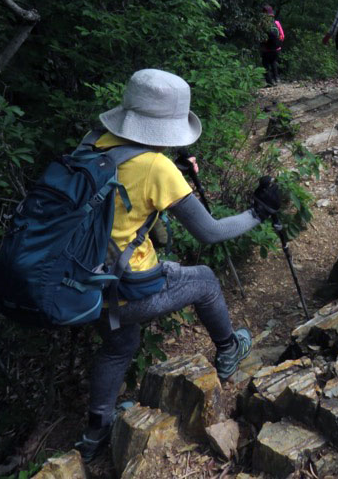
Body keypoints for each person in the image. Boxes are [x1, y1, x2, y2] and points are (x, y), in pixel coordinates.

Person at [75, 69, 280, 461]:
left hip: (86, 282)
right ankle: (228, 349)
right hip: (126, 287)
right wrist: (258, 213)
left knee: (119, 345)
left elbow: (129, 210)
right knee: (203, 280)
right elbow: (210, 232)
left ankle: (95, 433)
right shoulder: (155, 167)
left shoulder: (93, 144)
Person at [259, 5, 285, 86]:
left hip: (265, 49)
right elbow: (282, 36)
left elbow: (259, 36)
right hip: (276, 48)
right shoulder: (277, 23)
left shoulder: (261, 24)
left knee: (265, 64)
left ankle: (270, 82)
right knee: (274, 62)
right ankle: (276, 78)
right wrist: (277, 43)